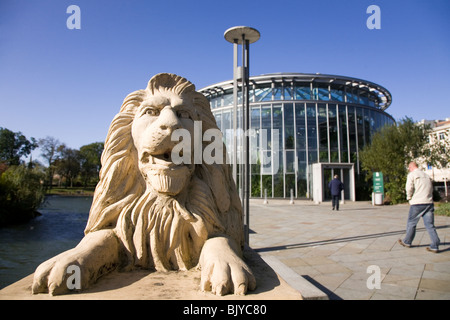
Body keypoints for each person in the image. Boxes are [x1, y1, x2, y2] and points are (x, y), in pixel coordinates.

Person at [398, 161, 440, 253]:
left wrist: (409, 197)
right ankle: (435, 245)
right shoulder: (426, 175)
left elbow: (409, 187)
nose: (409, 169)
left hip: (417, 203)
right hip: (428, 202)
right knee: (430, 225)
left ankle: (407, 241)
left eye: (409, 168)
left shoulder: (412, 175)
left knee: (412, 223)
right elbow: (431, 188)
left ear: (411, 167)